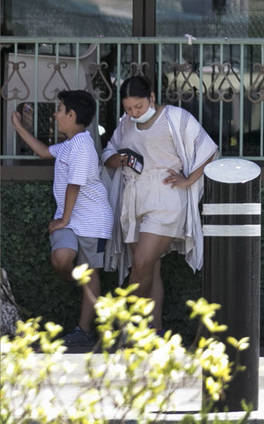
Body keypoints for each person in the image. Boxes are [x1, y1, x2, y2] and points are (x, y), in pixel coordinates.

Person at [102, 76, 217, 331]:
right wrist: (121, 159)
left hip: (166, 197)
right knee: (149, 268)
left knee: (142, 262)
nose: (134, 113)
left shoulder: (176, 117)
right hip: (133, 199)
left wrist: (188, 180)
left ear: (152, 98)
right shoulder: (125, 124)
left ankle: (128, 326)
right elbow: (108, 155)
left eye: (139, 107)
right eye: (129, 108)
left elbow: (208, 150)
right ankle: (153, 333)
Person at [10, 91, 112, 349]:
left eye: (59, 109)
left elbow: (74, 186)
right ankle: (87, 293)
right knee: (62, 259)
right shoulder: (71, 143)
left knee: (90, 272)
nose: (55, 114)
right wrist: (18, 127)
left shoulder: (82, 146)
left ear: (72, 115)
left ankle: (85, 331)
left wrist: (63, 219)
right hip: (70, 218)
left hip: (92, 221)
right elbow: (44, 152)